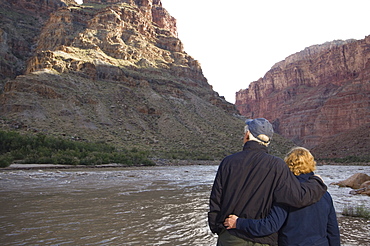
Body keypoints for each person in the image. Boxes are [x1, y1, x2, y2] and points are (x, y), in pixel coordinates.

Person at [208, 118, 327, 246]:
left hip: (230, 236)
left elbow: (216, 199)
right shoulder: (278, 165)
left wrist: (217, 228)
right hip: (263, 240)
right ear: (268, 141)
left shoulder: (228, 162)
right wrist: (317, 182)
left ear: (247, 134)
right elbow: (298, 197)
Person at [223, 147, 340, 246]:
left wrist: (238, 223)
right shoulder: (324, 194)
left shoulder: (285, 193)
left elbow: (270, 225)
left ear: (287, 164)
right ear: (311, 164)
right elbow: (333, 231)